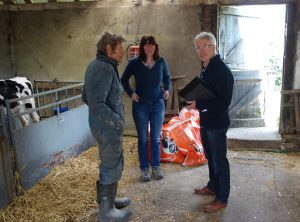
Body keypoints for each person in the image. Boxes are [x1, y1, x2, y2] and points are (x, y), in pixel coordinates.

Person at [82, 31, 132, 222]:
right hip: (107, 127)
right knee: (110, 163)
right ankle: (107, 213)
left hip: (104, 126)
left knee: (113, 161)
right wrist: (116, 121)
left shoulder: (102, 65)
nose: (122, 53)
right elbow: (96, 103)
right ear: (108, 49)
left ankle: (109, 201)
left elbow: (85, 96)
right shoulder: (102, 68)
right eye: (119, 49)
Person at [186, 32, 234, 213]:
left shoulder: (222, 71)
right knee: (211, 158)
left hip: (217, 122)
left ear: (214, 47)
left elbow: (223, 102)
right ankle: (213, 186)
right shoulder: (206, 68)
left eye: (205, 46)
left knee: (219, 160)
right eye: (198, 47)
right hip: (206, 120)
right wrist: (193, 100)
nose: (201, 50)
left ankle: (222, 198)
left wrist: (198, 103)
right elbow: (206, 92)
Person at [121, 35, 171, 182]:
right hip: (141, 105)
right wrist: (131, 93)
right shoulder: (135, 63)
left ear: (155, 46)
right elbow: (123, 79)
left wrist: (167, 89)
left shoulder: (161, 61)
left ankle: (156, 167)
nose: (149, 48)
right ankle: (144, 169)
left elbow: (167, 77)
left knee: (155, 138)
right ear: (142, 47)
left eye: (152, 45)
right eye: (146, 45)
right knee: (143, 139)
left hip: (157, 104)